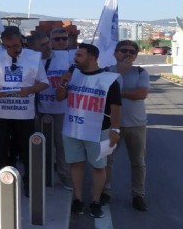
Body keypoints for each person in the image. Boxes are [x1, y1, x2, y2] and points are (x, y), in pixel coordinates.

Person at [55, 43, 121, 218]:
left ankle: (96, 201)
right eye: (75, 55)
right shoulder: (73, 76)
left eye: (79, 55)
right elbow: (59, 97)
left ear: (92, 57)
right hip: (73, 129)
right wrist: (63, 82)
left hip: (98, 130)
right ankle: (78, 199)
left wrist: (115, 130)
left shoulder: (108, 79)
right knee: (76, 164)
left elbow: (116, 107)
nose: (75, 58)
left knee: (98, 167)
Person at [0, 27, 49, 196]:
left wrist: (30, 90)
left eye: (15, 46)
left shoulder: (34, 58)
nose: (12, 50)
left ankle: (29, 184)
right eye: (7, 47)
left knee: (26, 149)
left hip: (24, 113)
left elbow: (44, 83)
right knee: (2, 148)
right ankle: (2, 182)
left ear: (21, 40)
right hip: (2, 112)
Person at [102, 40, 149, 211]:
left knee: (138, 162)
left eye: (132, 51)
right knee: (107, 160)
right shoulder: (107, 72)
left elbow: (141, 94)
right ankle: (104, 192)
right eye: (123, 50)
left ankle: (138, 195)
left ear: (136, 56)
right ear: (115, 53)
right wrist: (120, 75)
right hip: (112, 124)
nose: (128, 54)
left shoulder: (141, 72)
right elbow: (103, 93)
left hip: (136, 124)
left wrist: (117, 93)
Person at [31, 29, 73, 190]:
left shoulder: (66, 57)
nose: (49, 46)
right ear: (35, 47)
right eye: (43, 45)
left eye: (48, 43)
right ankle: (42, 174)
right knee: (40, 144)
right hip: (39, 109)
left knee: (61, 144)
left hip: (61, 109)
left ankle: (64, 175)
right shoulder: (32, 60)